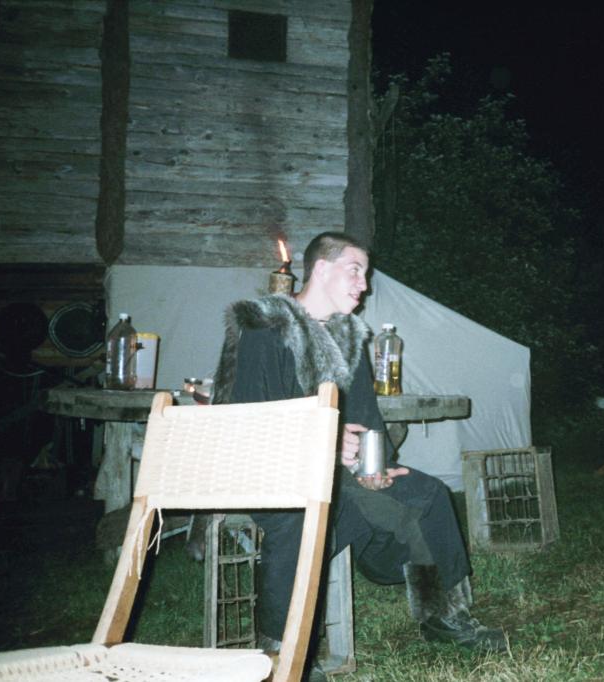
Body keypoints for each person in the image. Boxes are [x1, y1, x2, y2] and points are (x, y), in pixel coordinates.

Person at [212, 232, 506, 659]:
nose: (363, 285)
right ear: (321, 269)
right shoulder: (266, 329)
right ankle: (282, 652)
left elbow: (366, 418)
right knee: (299, 521)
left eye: (365, 274)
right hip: (273, 470)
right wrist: (324, 445)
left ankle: (444, 614)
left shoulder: (349, 338)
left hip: (336, 472)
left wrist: (375, 466)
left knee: (427, 494)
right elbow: (250, 419)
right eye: (354, 271)